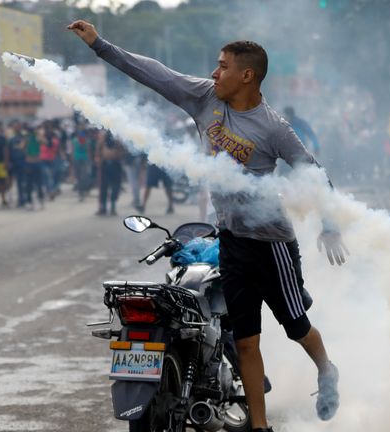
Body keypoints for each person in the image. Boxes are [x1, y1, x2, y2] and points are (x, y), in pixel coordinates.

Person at [68, 19, 348, 431]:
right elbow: (155, 74)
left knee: (296, 326)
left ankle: (326, 370)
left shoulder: (273, 127)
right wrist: (101, 46)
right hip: (232, 240)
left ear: (246, 75)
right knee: (247, 341)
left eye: (223, 66)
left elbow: (314, 173)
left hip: (271, 244)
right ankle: (259, 426)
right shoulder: (204, 98)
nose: (214, 72)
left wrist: (329, 225)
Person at [95, 130, 124, 216]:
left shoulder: (118, 143)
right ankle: (103, 208)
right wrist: (99, 162)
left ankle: (112, 207)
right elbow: (97, 154)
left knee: (115, 188)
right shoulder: (102, 143)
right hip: (105, 166)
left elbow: (122, 153)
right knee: (104, 188)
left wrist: (116, 155)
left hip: (115, 166)